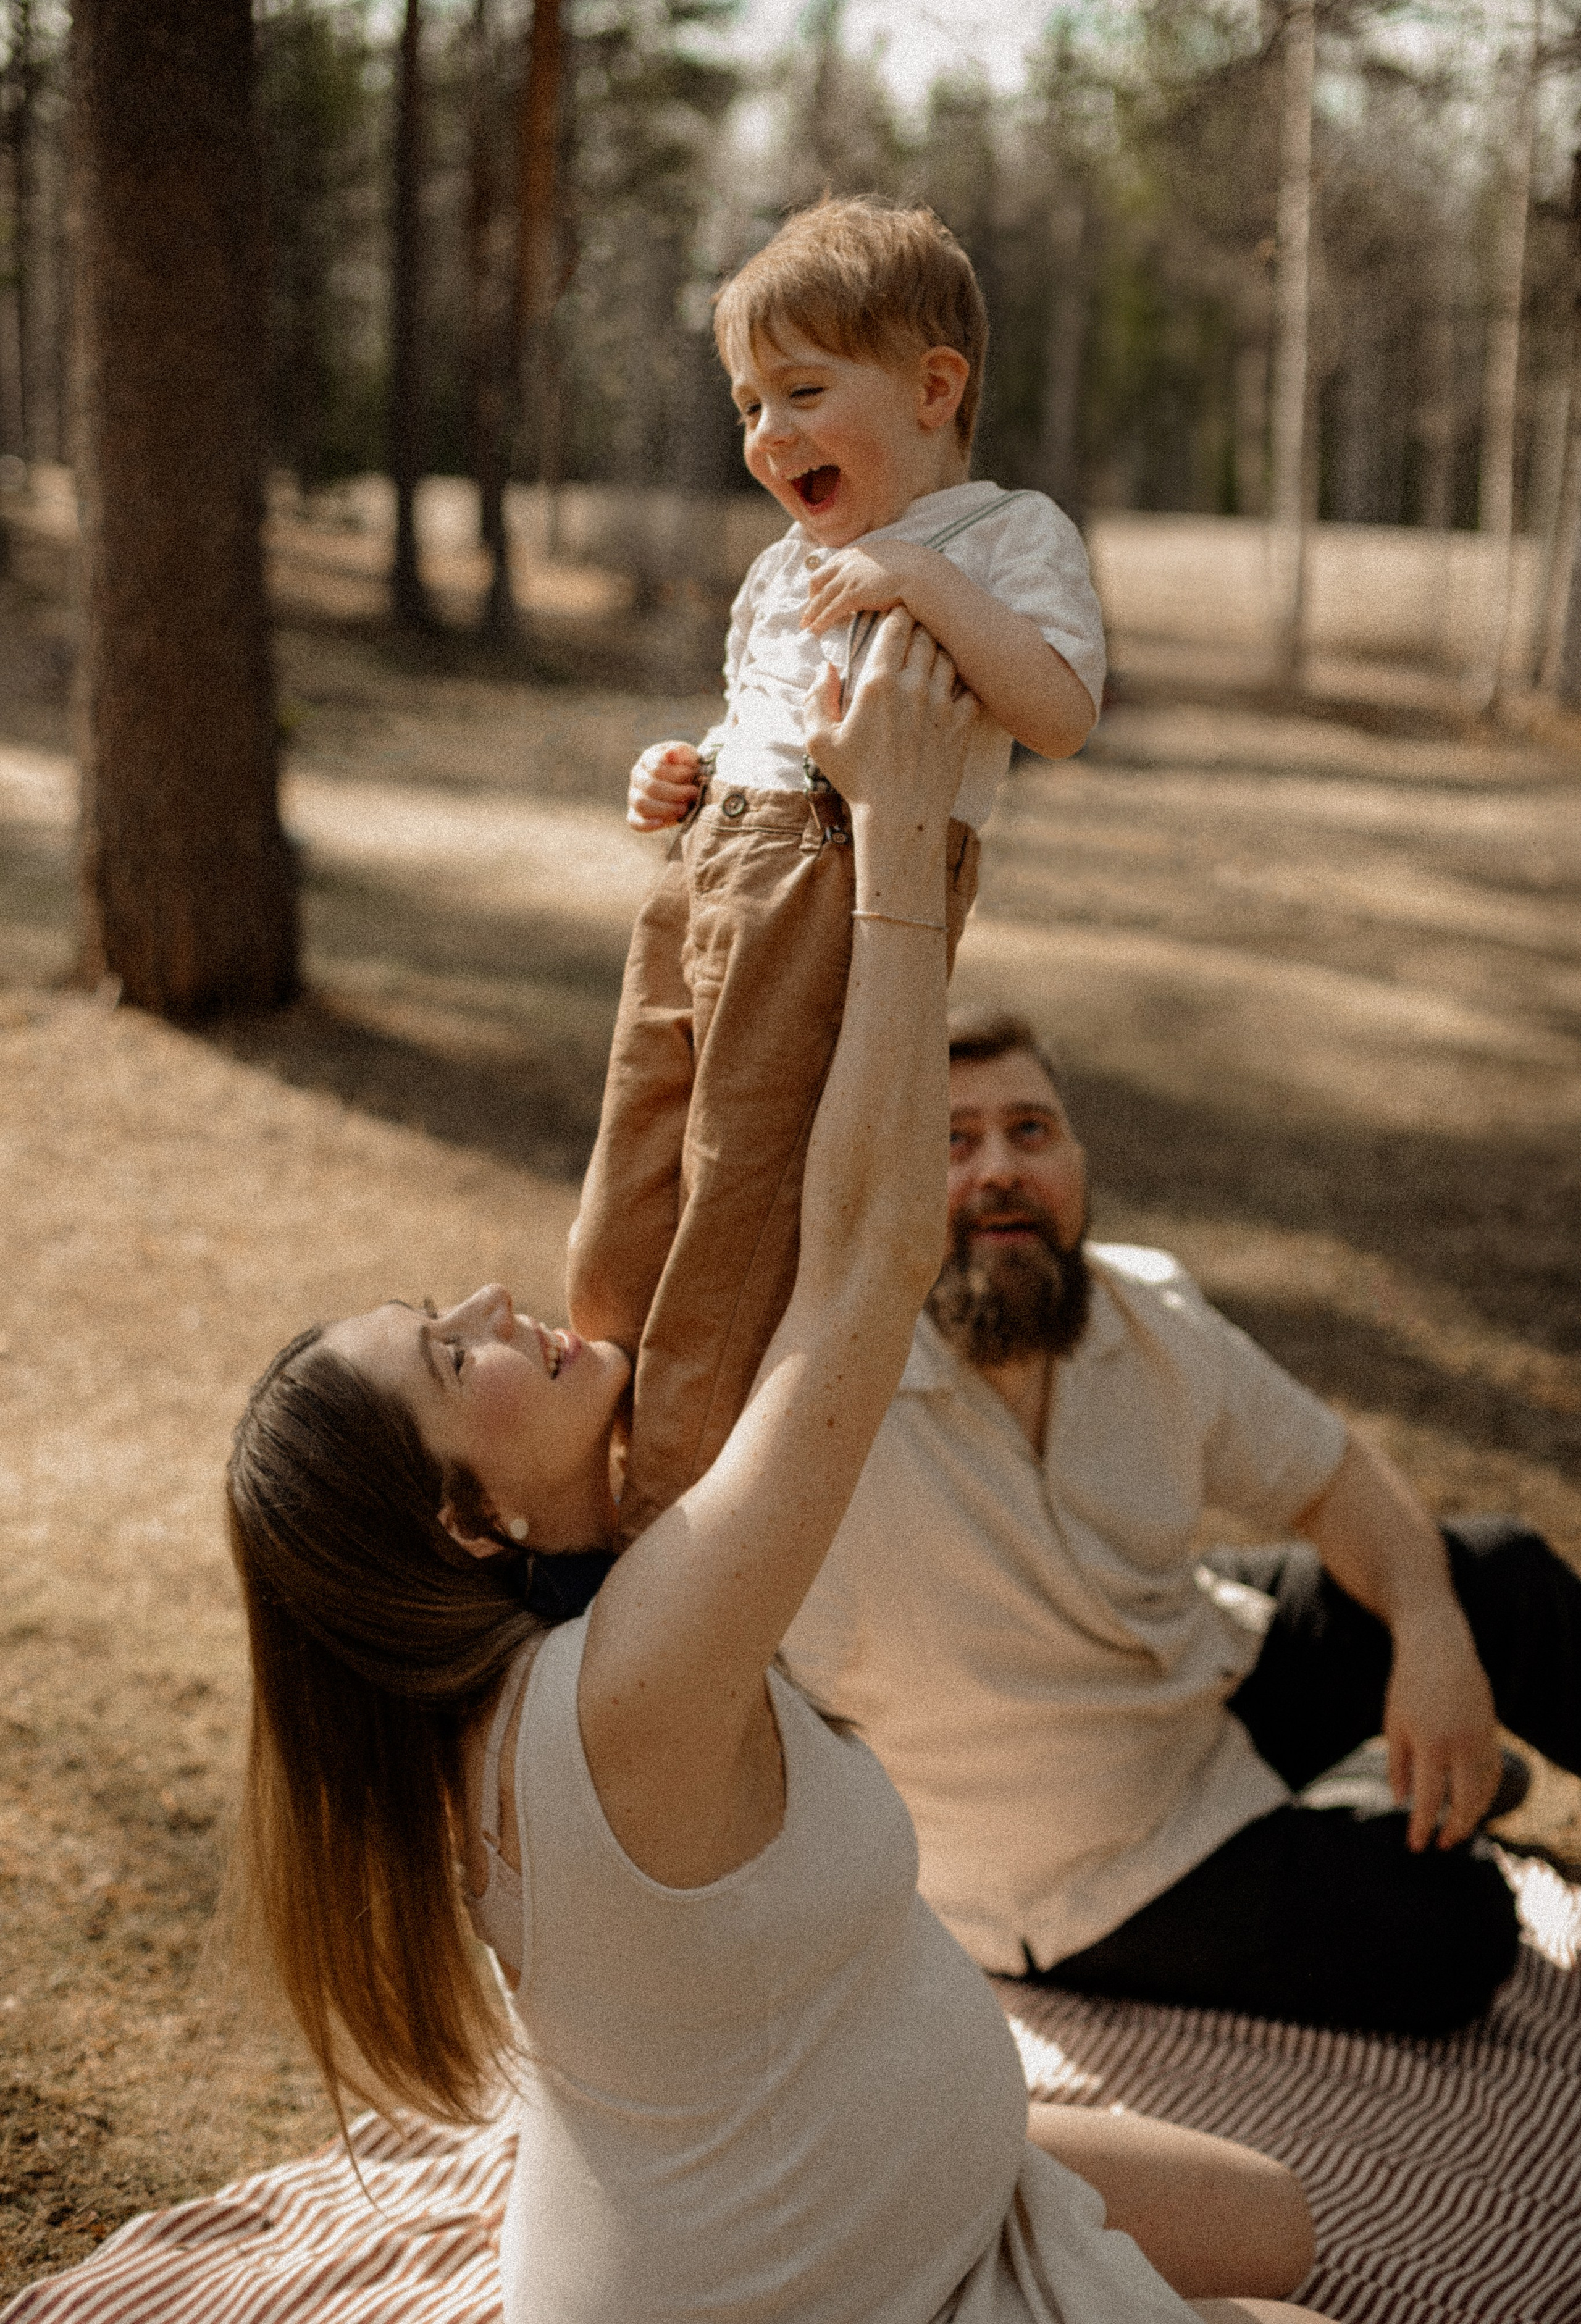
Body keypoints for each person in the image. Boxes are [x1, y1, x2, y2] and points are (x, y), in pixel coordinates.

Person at [226, 619, 1333, 2324]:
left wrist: (696, 877)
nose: (489, 1307)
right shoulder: (633, 1686)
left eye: (442, 1309)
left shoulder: (565, 1591)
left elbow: (662, 1194)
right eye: (451, 1357)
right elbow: (870, 1258)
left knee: (1274, 2222)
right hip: (792, 2289)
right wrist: (894, 843)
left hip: (889, 2168)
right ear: (464, 1516)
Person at [779, 1011, 1581, 2036]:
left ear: (1077, 1163)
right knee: (1459, 1929)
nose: (1000, 1170)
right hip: (1088, 1866)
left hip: (1198, 1669)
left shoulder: (1145, 1307)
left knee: (1498, 1578)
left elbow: (1334, 1477)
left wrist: (1430, 1635)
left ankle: (1382, 1771)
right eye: (950, 1141)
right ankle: (1369, 1795)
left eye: (1031, 1131)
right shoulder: (818, 1395)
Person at [567, 196, 1107, 1541]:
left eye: (803, 393)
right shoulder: (780, 568)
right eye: (750, 406)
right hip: (710, 864)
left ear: (934, 389)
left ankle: (665, 1512)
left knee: (738, 1191)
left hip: (837, 870)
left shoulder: (1003, 536)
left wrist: (919, 582)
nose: (769, 434)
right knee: (632, 1167)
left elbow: (1057, 711)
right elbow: (752, 715)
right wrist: (679, 773)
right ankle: (578, 1441)